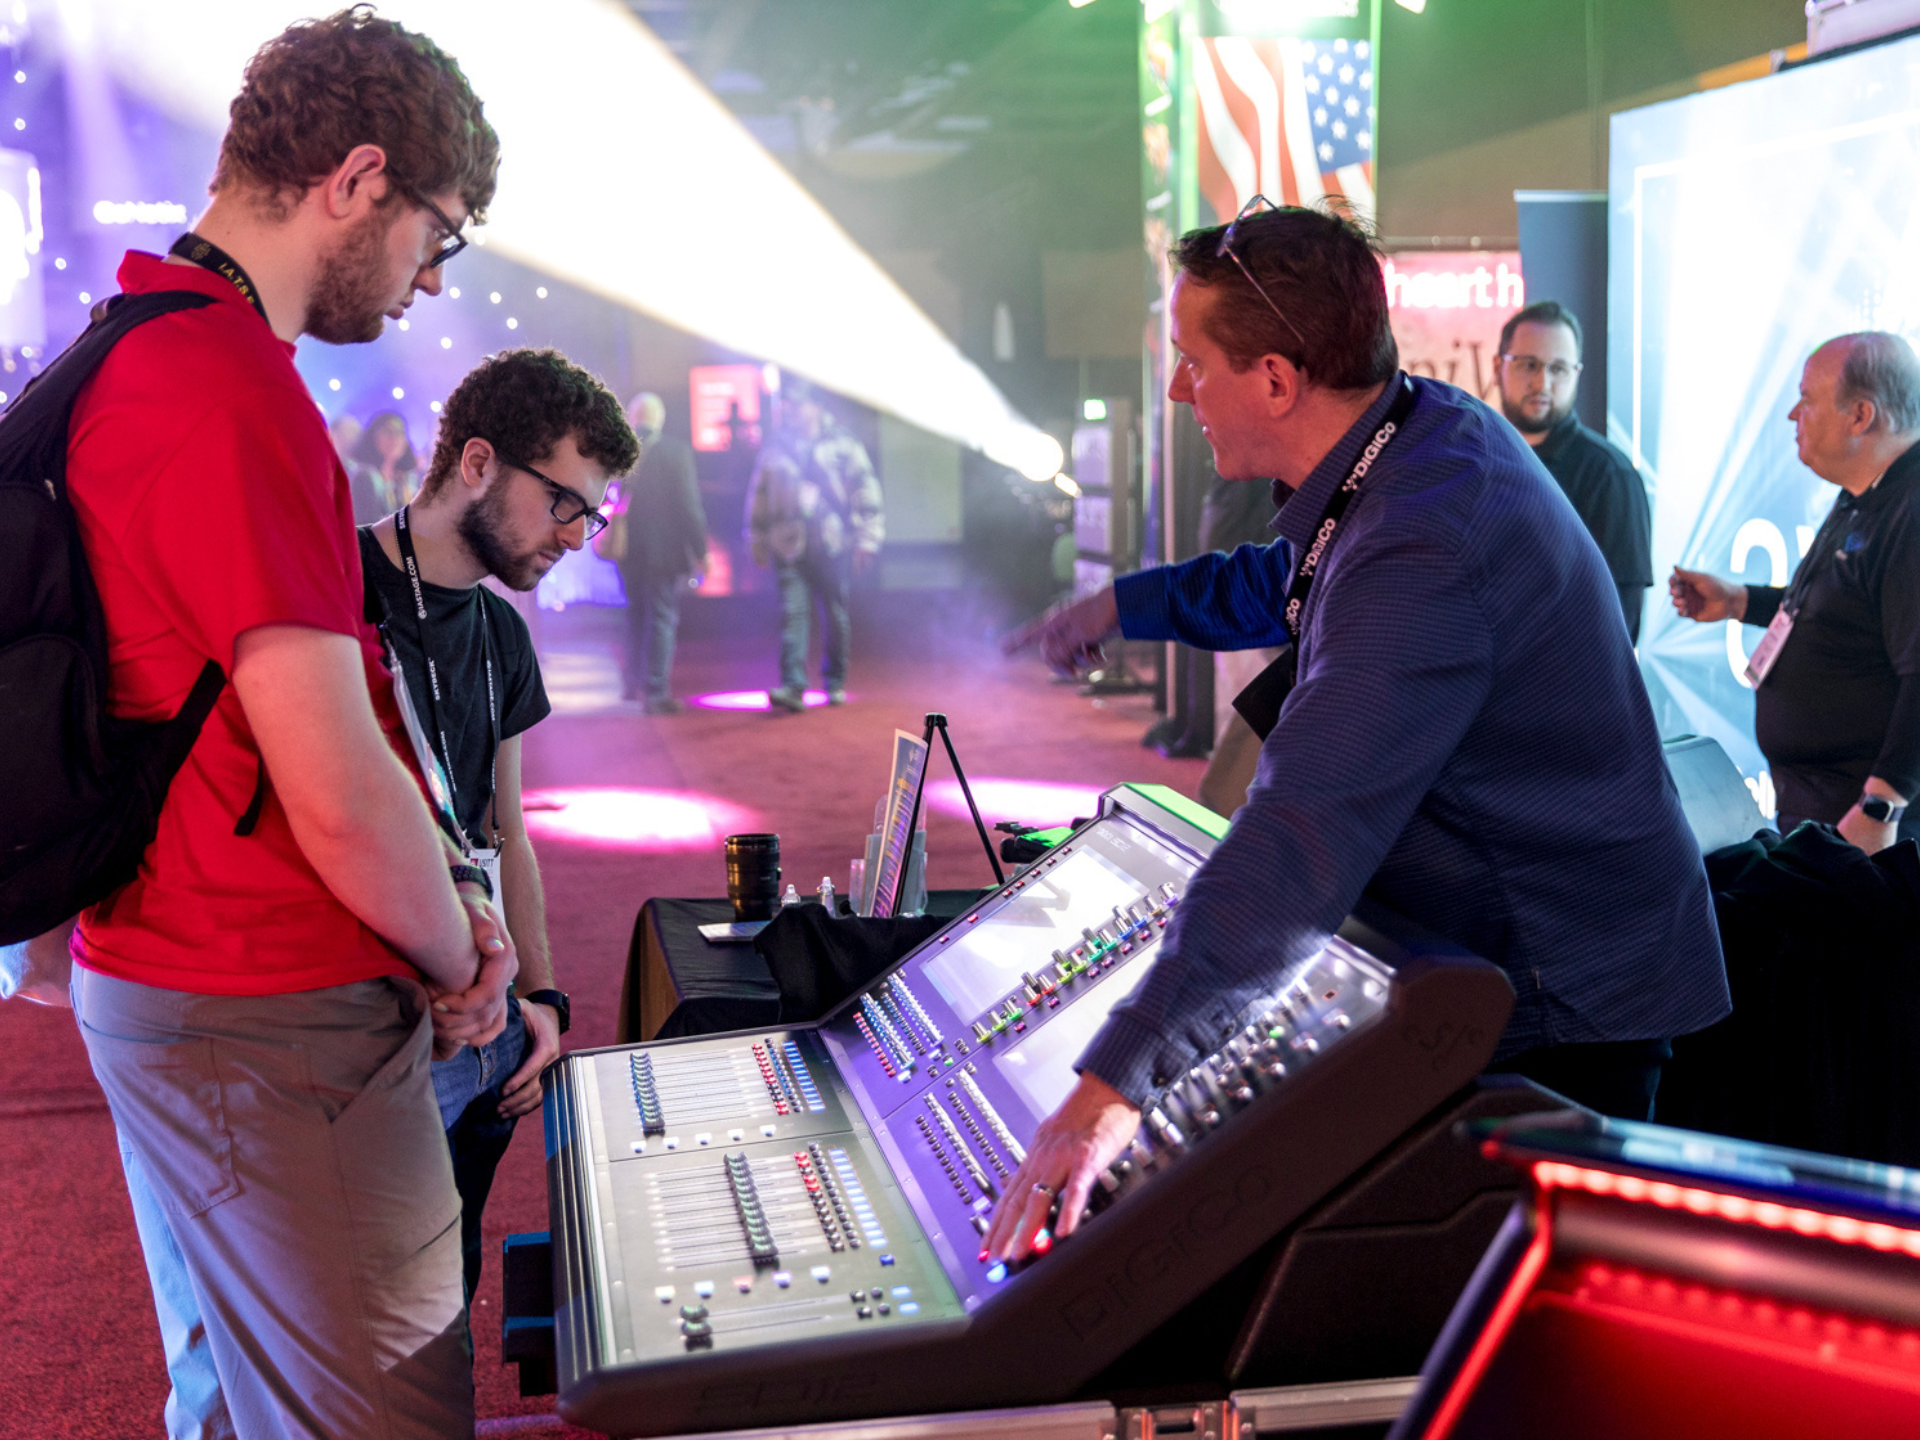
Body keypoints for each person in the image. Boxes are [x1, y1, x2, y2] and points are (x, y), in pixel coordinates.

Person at [991, 201, 1727, 1262]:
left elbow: (1304, 830)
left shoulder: (1427, 540)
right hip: (1514, 958)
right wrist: (1124, 606)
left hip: (1565, 997)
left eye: (1195, 362)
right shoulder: (1412, 437)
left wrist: (1115, 1086)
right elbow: (1285, 578)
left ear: (1279, 382)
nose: (1176, 388)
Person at [60, 10, 506, 1437]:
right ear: (359, 178)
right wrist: (462, 959)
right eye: (440, 233)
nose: (434, 278)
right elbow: (333, 784)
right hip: (263, 1001)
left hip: (179, 977)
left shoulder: (139, 343)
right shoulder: (230, 390)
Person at [363, 348, 637, 1302]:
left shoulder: (503, 633)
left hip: (488, 1027)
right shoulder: (337, 586)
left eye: (592, 515)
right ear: (477, 463)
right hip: (368, 1030)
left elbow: (507, 833)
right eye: (567, 502)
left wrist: (547, 1007)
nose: (577, 536)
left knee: (448, 1293)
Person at [1670, 331, 1920, 854]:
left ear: (1861, 416)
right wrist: (1741, 601)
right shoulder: (1863, 495)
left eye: (1807, 399)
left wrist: (1881, 804)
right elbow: (1843, 611)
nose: (1792, 415)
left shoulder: (1910, 510)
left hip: (1873, 833)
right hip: (1822, 809)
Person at [1494, 300, 1653, 641]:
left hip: (1564, 688)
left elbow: (1620, 626)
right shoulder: (1479, 461)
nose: (1542, 382)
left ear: (1576, 374)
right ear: (1498, 367)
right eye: (1528, 365)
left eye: (1558, 369)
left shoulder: (1610, 476)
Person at [745, 379, 882, 711]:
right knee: (793, 614)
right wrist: (756, 537)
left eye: (797, 404)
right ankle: (793, 686)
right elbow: (759, 495)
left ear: (816, 407)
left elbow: (865, 491)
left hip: (832, 543)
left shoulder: (844, 445)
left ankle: (835, 680)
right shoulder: (775, 447)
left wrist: (868, 538)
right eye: (788, 404)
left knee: (835, 614)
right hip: (786, 543)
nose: (790, 410)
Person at [614, 390, 705, 712]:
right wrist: (701, 550)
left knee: (635, 613)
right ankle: (656, 690)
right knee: (663, 617)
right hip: (664, 552)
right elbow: (689, 507)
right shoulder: (675, 452)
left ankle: (630, 683)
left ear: (632, 418)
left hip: (626, 551)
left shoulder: (620, 453)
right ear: (660, 419)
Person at [356, 407, 423, 510]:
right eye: (388, 431)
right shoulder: (363, 476)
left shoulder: (409, 480)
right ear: (373, 436)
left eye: (400, 433)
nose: (394, 438)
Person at [333, 410, 389, 524]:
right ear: (333, 432)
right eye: (350, 430)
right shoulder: (321, 465)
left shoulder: (362, 473)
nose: (356, 436)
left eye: (357, 431)